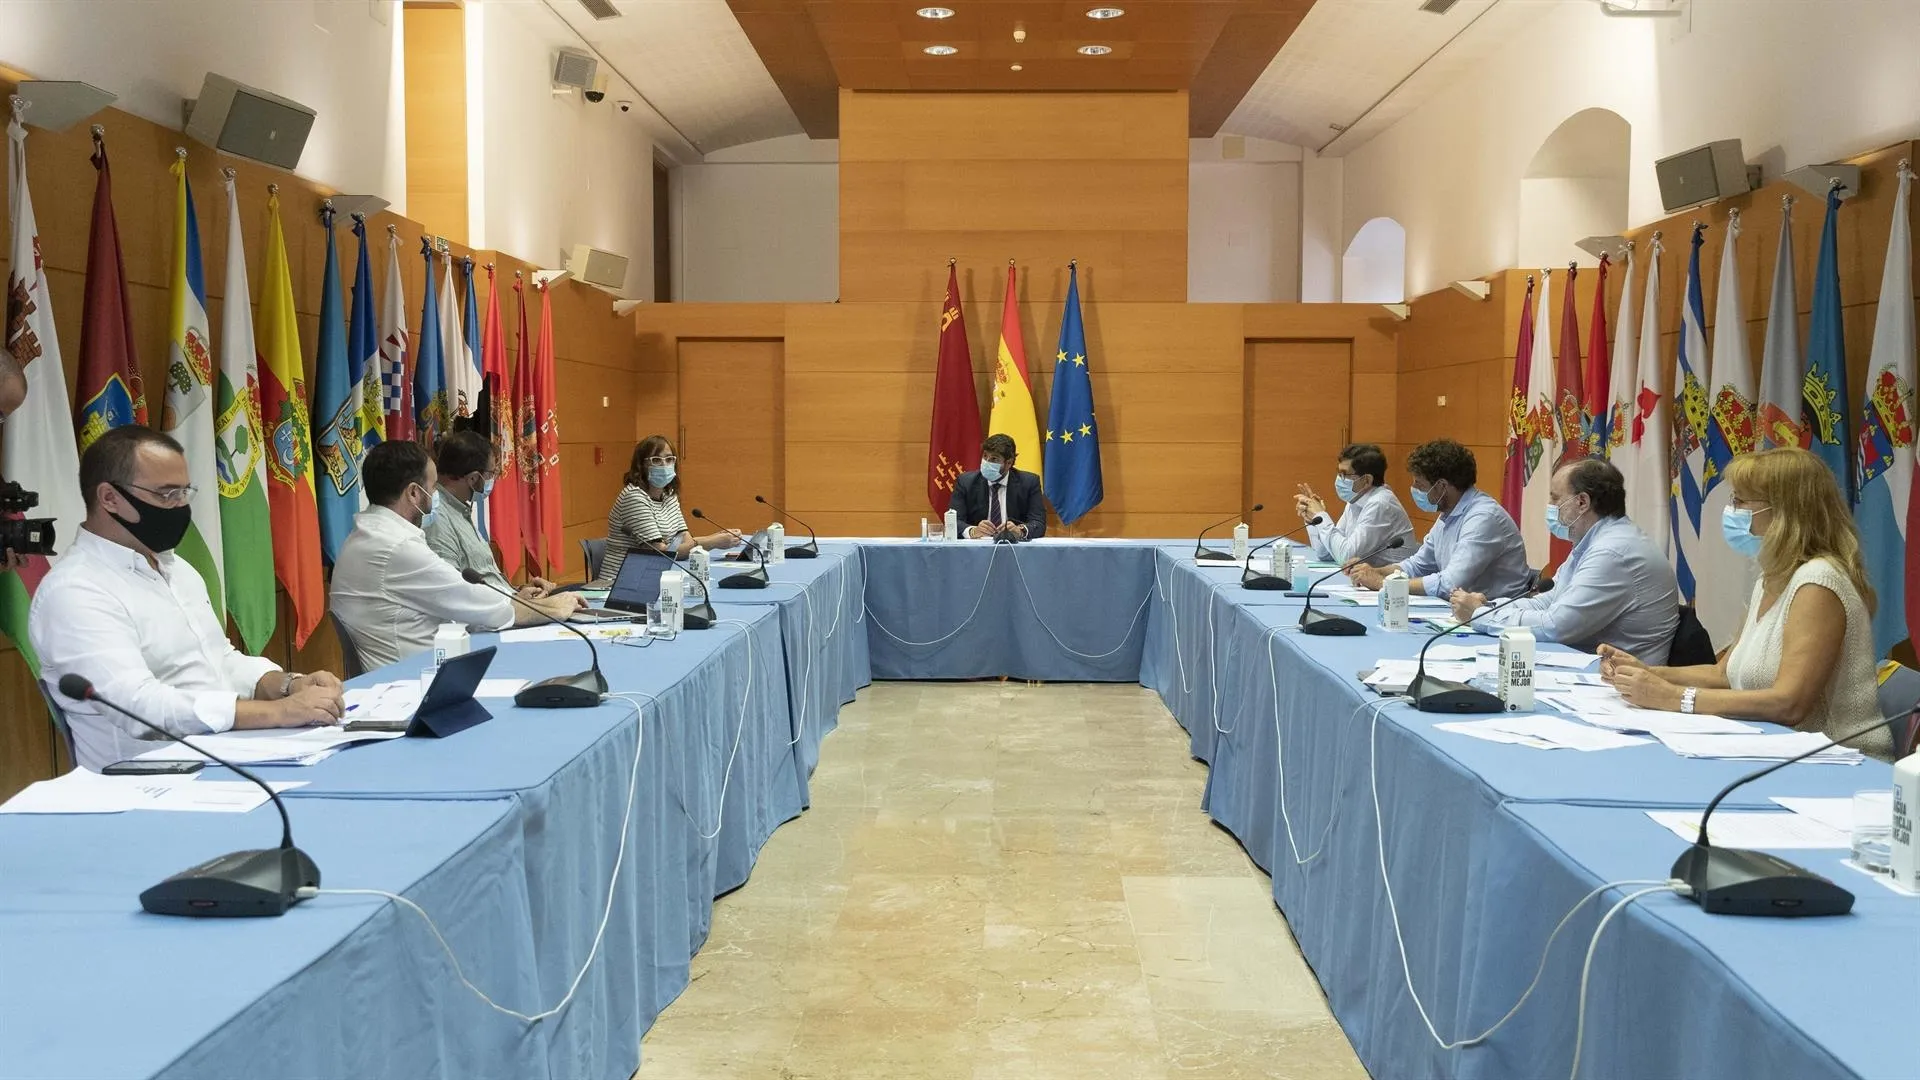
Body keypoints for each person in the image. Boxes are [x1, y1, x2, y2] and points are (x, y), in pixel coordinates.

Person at [29, 425, 345, 772]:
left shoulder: (176, 569)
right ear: (109, 498)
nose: (180, 506)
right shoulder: (75, 591)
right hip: (149, 782)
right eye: (166, 494)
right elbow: (137, 706)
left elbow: (219, 660)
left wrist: (287, 685)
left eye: (184, 493)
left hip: (231, 757)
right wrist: (277, 713)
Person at [1603, 447, 1891, 759]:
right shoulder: (1773, 577)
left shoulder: (1818, 582)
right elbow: (1723, 675)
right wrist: (1646, 674)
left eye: (1740, 501)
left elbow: (1789, 704)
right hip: (1778, 749)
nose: (1731, 510)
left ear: (1784, 512)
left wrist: (1674, 697)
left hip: (1839, 761)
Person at [331, 440, 580, 670]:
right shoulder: (396, 547)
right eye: (432, 486)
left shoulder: (367, 535)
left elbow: (460, 598)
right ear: (414, 493)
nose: (436, 494)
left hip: (412, 669)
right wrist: (554, 608)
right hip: (416, 679)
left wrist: (519, 599)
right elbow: (471, 600)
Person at [1449, 457, 1679, 661]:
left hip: (1621, 683)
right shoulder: (1595, 541)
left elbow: (1556, 626)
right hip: (1590, 666)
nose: (1550, 506)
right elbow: (1548, 601)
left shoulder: (1613, 552)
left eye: (1555, 498)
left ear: (1582, 502)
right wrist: (1488, 607)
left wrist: (1481, 616)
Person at [1348, 438, 1531, 600]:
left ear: (1442, 486)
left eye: (1419, 483)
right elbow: (1418, 565)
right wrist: (1373, 571)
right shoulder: (1449, 513)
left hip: (1495, 612)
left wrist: (1384, 583)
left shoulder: (1483, 518)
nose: (1414, 488)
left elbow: (1450, 583)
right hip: (1461, 609)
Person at [425, 430, 577, 605]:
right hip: (496, 614)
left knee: (576, 595)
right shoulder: (437, 518)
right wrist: (513, 601)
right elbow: (451, 593)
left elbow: (486, 578)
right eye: (492, 474)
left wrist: (519, 590)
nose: (494, 480)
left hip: (506, 603)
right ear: (473, 479)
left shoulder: (459, 509)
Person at [591, 435, 736, 587]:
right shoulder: (634, 497)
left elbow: (685, 539)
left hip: (653, 576)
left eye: (669, 459)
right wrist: (712, 542)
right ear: (641, 465)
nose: (664, 465)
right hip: (622, 583)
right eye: (656, 460)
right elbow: (662, 553)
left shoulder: (668, 494)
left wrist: (711, 538)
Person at [1295, 442, 1414, 567]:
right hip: (1367, 576)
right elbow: (1326, 553)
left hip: (1393, 578)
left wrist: (1321, 515)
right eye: (1338, 473)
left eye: (1344, 474)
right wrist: (1313, 519)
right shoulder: (1356, 500)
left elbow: (1347, 558)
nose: (1339, 479)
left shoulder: (1381, 504)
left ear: (1366, 480)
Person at [951, 434, 1047, 540]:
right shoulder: (966, 482)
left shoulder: (1028, 483)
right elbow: (953, 522)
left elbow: (1038, 523)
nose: (987, 462)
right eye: (985, 456)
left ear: (1009, 463)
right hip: (977, 546)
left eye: (994, 459)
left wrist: (1020, 531)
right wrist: (973, 531)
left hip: (1014, 546)